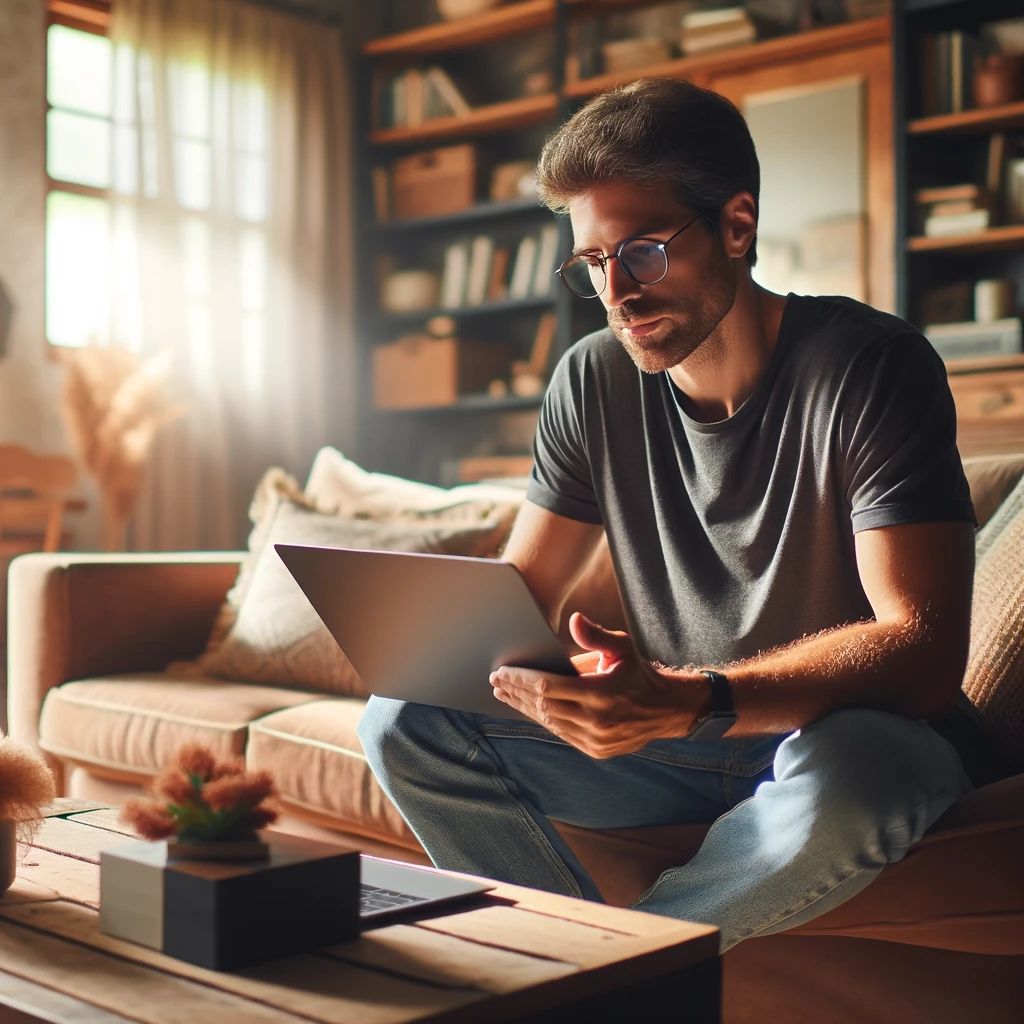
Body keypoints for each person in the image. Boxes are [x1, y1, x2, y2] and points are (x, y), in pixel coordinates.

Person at [358, 78, 980, 951]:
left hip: (843, 738)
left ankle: (604, 968)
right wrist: (453, 654)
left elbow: (919, 651)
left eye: (643, 251)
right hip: (682, 742)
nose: (618, 292)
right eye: (593, 263)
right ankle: (565, 953)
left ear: (736, 223)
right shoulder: (590, 379)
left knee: (859, 779)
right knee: (404, 721)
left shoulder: (870, 364)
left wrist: (694, 699)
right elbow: (518, 593)